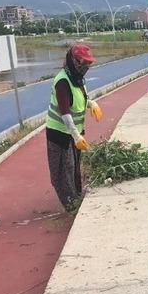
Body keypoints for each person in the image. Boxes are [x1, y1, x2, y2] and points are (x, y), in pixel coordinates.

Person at [45, 44, 101, 212]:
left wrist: (91, 103)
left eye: (89, 64)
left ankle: (77, 196)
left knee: (75, 165)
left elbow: (79, 99)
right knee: (64, 169)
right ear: (73, 61)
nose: (86, 67)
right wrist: (76, 136)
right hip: (59, 134)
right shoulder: (63, 81)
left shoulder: (78, 79)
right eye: (83, 63)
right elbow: (65, 112)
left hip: (74, 132)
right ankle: (71, 205)